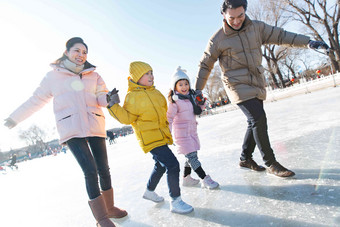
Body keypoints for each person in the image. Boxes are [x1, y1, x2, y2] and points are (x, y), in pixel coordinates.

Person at [194, 0, 330, 177]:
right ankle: (271, 163)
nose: (236, 21)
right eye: (231, 18)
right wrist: (197, 90)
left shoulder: (257, 28)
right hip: (235, 84)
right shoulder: (217, 39)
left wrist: (308, 42)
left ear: (245, 11)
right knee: (258, 118)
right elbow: (205, 65)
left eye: (240, 16)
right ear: (223, 16)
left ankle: (245, 158)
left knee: (254, 121)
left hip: (256, 81)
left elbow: (281, 35)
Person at [4, 37, 127, 227]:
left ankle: (110, 208)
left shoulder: (93, 75)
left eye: (85, 52)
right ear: (67, 52)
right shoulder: (53, 76)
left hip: (94, 124)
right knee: (90, 171)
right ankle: (101, 218)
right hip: (71, 128)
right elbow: (35, 100)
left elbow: (101, 96)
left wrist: (109, 98)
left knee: (104, 169)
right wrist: (14, 118)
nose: (81, 55)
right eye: (77, 51)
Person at [106, 61, 193, 214]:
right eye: (147, 73)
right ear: (137, 77)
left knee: (160, 165)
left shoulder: (156, 93)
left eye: (152, 72)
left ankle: (149, 191)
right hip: (149, 139)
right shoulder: (132, 96)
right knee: (172, 165)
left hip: (161, 135)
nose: (151, 76)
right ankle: (176, 201)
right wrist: (113, 105)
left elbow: (166, 112)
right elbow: (127, 118)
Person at [167, 67, 219, 189]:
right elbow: (169, 118)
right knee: (192, 158)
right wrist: (167, 133)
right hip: (182, 135)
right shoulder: (174, 102)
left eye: (186, 84)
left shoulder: (191, 97)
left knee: (190, 157)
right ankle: (204, 178)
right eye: (180, 84)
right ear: (175, 87)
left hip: (191, 132)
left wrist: (201, 102)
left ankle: (186, 179)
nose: (184, 87)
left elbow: (198, 111)